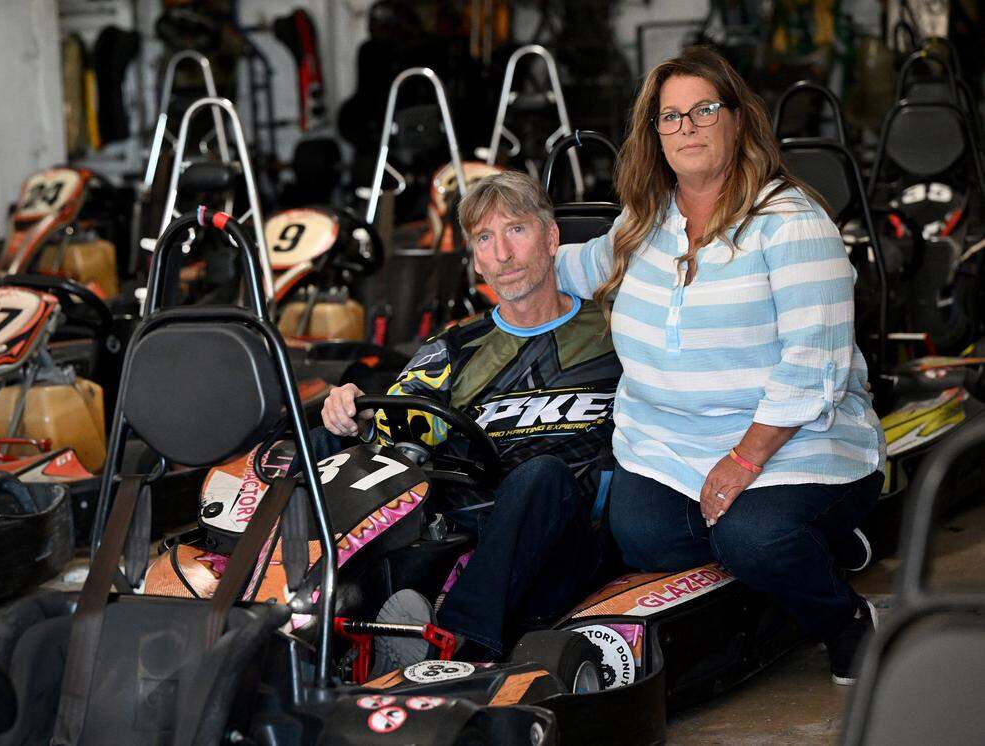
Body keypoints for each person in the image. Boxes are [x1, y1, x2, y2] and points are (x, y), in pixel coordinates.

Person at [555, 46, 886, 685]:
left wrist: (742, 461)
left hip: (794, 444)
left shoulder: (790, 221)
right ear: (654, 135)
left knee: (750, 539)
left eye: (704, 110)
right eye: (670, 117)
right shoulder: (645, 219)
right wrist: (515, 250)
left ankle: (845, 623)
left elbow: (814, 362)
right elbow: (582, 265)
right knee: (641, 536)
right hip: (675, 451)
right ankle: (811, 555)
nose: (687, 129)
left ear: (737, 119)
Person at [320, 170, 622, 669]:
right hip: (469, 531)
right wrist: (351, 412)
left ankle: (451, 639)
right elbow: (394, 426)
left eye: (516, 231)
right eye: (485, 238)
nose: (503, 254)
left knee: (540, 475)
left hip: (572, 536)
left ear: (550, 239)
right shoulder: (453, 349)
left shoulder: (616, 329)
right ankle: (305, 622)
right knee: (319, 443)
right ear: (476, 260)